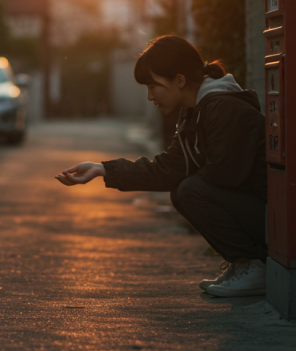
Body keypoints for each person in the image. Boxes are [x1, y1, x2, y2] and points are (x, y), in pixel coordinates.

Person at [55, 35, 268, 297]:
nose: (149, 96)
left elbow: (225, 175)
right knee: (184, 190)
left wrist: (186, 176)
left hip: (271, 216)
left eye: (153, 86)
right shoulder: (198, 109)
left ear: (179, 80)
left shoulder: (224, 107)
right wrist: (103, 169)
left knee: (189, 190)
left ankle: (255, 264)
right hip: (253, 210)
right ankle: (244, 262)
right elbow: (169, 167)